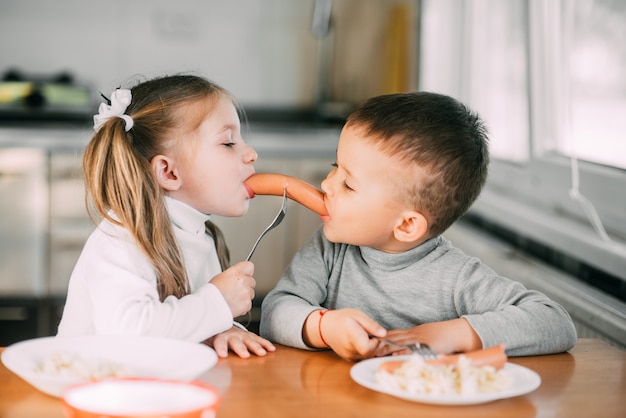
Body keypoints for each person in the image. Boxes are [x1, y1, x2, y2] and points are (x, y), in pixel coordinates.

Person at [259, 91, 577, 361]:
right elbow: (274, 312)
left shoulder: (457, 277)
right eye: (334, 167)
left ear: (408, 224)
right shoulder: (329, 249)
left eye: (348, 184)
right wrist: (323, 326)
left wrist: (455, 333)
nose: (327, 184)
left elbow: (555, 322)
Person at [57, 74, 276, 359]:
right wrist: (218, 303)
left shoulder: (203, 235)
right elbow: (130, 334)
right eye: (228, 143)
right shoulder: (122, 239)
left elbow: (184, 320)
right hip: (93, 390)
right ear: (169, 173)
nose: (251, 154)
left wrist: (221, 329)